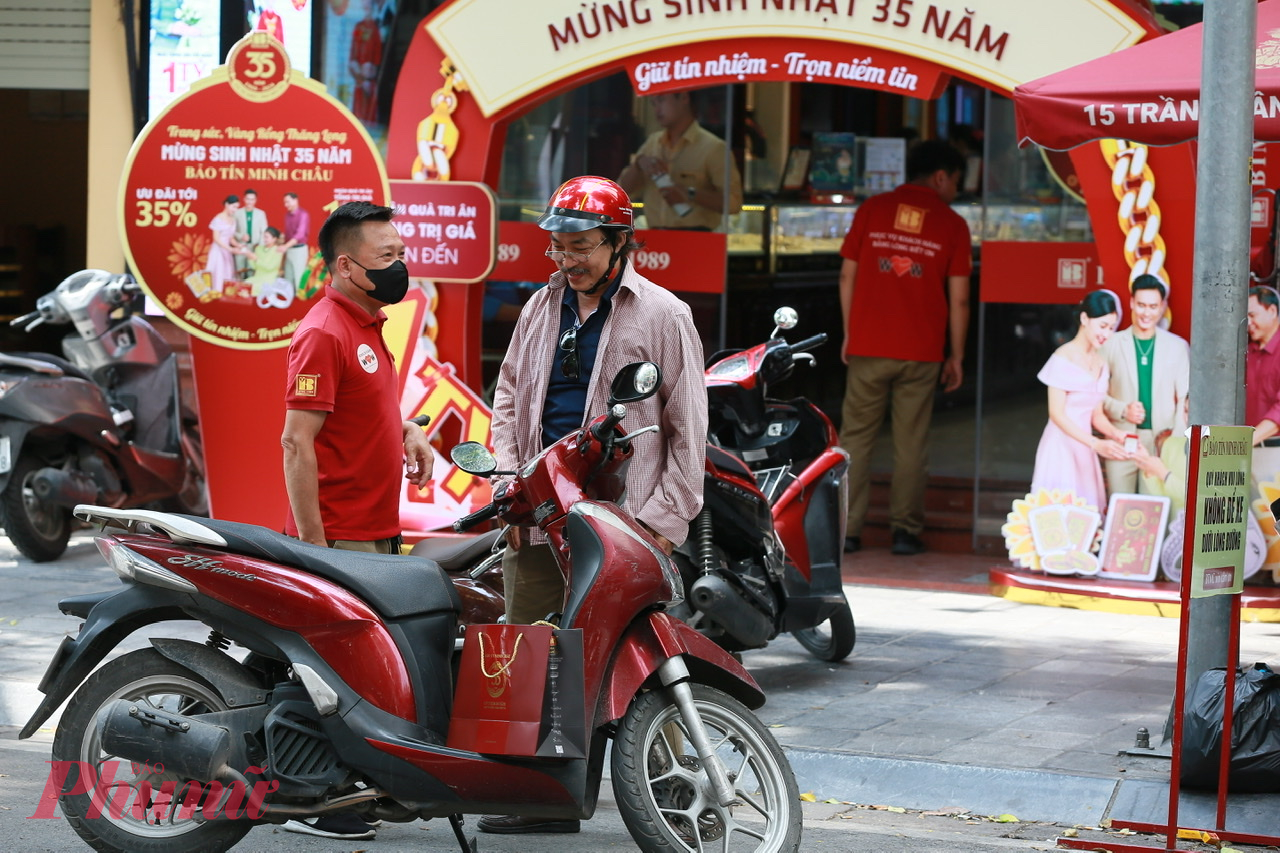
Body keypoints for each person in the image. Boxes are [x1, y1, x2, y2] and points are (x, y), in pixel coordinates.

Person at [480, 176, 707, 836]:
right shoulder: (537, 308)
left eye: (580, 246)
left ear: (618, 242)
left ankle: (680, 803)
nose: (566, 259)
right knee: (530, 656)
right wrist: (504, 474)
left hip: (621, 524)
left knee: (639, 666)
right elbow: (508, 392)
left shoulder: (663, 314)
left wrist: (663, 525)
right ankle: (537, 798)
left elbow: (689, 427)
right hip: (540, 514)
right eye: (558, 246)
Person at [279, 203, 434, 843]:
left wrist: (406, 432)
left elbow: (356, 408)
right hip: (342, 537)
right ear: (346, 265)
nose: (400, 267)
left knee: (372, 673)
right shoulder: (323, 331)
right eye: (387, 257)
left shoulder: (368, 324)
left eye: (401, 254)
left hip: (375, 530)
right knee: (335, 676)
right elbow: (296, 442)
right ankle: (317, 798)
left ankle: (367, 783)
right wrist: (316, 548)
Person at [836, 140, 971, 556]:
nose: (956, 190)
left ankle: (847, 530)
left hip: (868, 344)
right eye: (957, 182)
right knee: (911, 443)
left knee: (855, 439)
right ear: (941, 177)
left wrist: (849, 333)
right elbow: (960, 297)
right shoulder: (952, 224)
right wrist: (957, 355)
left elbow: (846, 276)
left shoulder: (872, 211)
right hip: (922, 350)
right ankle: (904, 533)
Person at [1030, 290, 1131, 512]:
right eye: (1103, 326)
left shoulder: (1101, 362)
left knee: (1085, 519)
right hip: (1061, 447)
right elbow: (1056, 414)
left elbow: (1096, 415)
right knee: (1060, 516)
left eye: (1112, 328)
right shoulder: (1062, 357)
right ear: (1085, 319)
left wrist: (1117, 435)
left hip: (1085, 448)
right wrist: (1095, 443)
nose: (1107, 333)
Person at [1100, 275, 1190, 494]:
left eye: (1153, 306)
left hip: (1161, 440)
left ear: (1162, 307)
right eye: (1141, 305)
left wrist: (1173, 444)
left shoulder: (1177, 347)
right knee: (1120, 508)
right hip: (1122, 438)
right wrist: (1123, 410)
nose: (1146, 313)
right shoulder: (1111, 344)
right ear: (1131, 302)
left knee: (1155, 510)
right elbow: (1093, 394)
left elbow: (1185, 399)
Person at [617, 89, 743, 230]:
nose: (657, 109)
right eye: (653, 103)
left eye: (662, 100)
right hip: (654, 239)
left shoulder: (713, 148)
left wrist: (689, 193)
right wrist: (638, 164)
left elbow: (734, 203)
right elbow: (621, 192)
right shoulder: (653, 144)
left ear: (683, 98)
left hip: (695, 238)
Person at [1247, 285, 1280, 445]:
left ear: (1272, 311)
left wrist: (1246, 442)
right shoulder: (1247, 352)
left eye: (1252, 315)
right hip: (1247, 447)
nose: (1249, 323)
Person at [207, 195, 249, 291]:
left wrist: (238, 245)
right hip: (218, 251)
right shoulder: (218, 218)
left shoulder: (233, 220)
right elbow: (216, 238)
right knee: (218, 273)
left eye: (237, 207)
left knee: (227, 273)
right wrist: (230, 249)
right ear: (227, 204)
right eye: (233, 207)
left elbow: (230, 238)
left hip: (227, 251)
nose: (235, 210)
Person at [233, 187, 269, 275]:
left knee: (251, 273)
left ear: (255, 200)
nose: (249, 202)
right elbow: (231, 231)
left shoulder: (261, 214)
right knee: (240, 272)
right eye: (248, 199)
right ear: (244, 199)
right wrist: (241, 236)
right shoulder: (237, 213)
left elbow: (264, 232)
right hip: (240, 247)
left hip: (254, 248)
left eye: (252, 199)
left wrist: (259, 248)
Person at [280, 191, 311, 291]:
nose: (286, 205)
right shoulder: (287, 215)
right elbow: (289, 234)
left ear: (295, 200)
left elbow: (299, 235)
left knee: (299, 278)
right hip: (290, 249)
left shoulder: (303, 215)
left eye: (288, 202)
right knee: (288, 278)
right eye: (285, 202)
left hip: (299, 250)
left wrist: (285, 246)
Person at [244, 226, 286, 296]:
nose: (264, 239)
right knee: (245, 285)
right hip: (257, 277)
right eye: (264, 237)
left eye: (267, 237)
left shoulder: (278, 250)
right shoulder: (258, 249)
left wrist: (256, 259)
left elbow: (270, 267)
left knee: (254, 288)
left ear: (274, 239)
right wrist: (250, 258)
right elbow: (255, 267)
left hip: (269, 279)